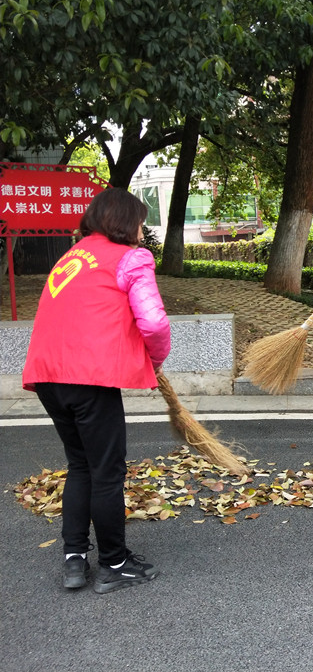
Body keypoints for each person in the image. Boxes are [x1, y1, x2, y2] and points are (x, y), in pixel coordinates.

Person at [22, 187, 171, 593]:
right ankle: (114, 564)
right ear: (126, 221)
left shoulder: (71, 257)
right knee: (107, 472)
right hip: (89, 376)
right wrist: (155, 361)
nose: (143, 229)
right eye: (141, 220)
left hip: (48, 375)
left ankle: (74, 559)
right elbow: (154, 324)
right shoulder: (131, 258)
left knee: (81, 465)